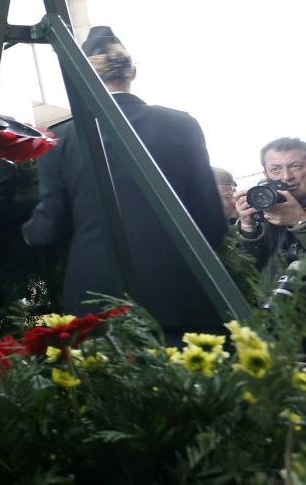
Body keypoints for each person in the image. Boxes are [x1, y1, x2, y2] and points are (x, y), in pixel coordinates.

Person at [23, 26, 227, 338]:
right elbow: (212, 222)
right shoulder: (182, 125)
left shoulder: (61, 140)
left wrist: (24, 234)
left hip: (96, 301)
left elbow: (51, 227)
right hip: (182, 292)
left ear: (80, 77)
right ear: (132, 71)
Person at [235, 137, 306, 278]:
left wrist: (300, 221)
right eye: (276, 169)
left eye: (295, 166)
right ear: (266, 175)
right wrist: (248, 228)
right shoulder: (264, 205)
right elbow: (246, 270)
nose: (286, 176)